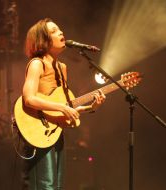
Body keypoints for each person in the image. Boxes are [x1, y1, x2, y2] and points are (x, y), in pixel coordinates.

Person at [21, 18, 106, 190]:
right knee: (46, 185)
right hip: (38, 131)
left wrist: (91, 108)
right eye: (54, 31)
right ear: (43, 40)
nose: (61, 33)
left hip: (54, 132)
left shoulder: (62, 68)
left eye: (60, 29)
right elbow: (28, 99)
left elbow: (65, 105)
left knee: (57, 186)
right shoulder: (37, 64)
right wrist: (63, 107)